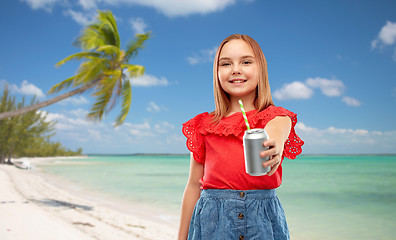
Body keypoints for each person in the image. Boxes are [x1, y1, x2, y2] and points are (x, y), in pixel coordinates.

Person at [178, 34, 304, 240]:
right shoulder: (204, 125)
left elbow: (278, 128)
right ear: (217, 72)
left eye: (246, 62)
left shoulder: (275, 117)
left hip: (263, 223)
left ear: (260, 69)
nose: (236, 69)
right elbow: (193, 185)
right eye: (226, 63)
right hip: (212, 225)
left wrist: (275, 142)